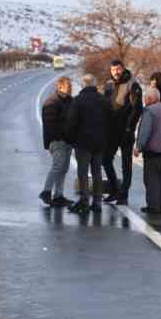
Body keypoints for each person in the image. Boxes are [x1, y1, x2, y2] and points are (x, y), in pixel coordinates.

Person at [64, 73, 109, 214]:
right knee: (97, 172)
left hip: (82, 143)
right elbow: (111, 121)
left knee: (83, 172)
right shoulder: (103, 100)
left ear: (83, 85)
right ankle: (97, 202)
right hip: (99, 143)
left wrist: (70, 140)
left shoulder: (78, 101)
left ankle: (84, 201)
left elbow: (71, 123)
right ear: (94, 85)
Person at [101, 59, 142, 205]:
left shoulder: (133, 84)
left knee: (126, 164)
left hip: (126, 131)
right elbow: (104, 106)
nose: (115, 72)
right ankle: (114, 190)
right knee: (105, 160)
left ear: (123, 68)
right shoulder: (108, 84)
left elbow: (137, 109)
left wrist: (129, 127)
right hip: (111, 131)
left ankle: (124, 194)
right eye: (113, 70)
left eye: (118, 69)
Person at [134, 86, 161, 215]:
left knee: (151, 179)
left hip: (154, 151)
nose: (144, 101)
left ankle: (153, 206)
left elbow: (145, 131)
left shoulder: (150, 111)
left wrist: (138, 147)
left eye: (145, 98)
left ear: (150, 98)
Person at [39, 76, 75, 206]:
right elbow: (51, 125)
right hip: (57, 140)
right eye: (68, 87)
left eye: (71, 87)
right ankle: (46, 191)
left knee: (64, 168)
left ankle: (59, 195)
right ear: (59, 87)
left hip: (68, 141)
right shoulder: (51, 102)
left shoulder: (71, 101)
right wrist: (63, 135)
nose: (70, 89)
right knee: (57, 166)